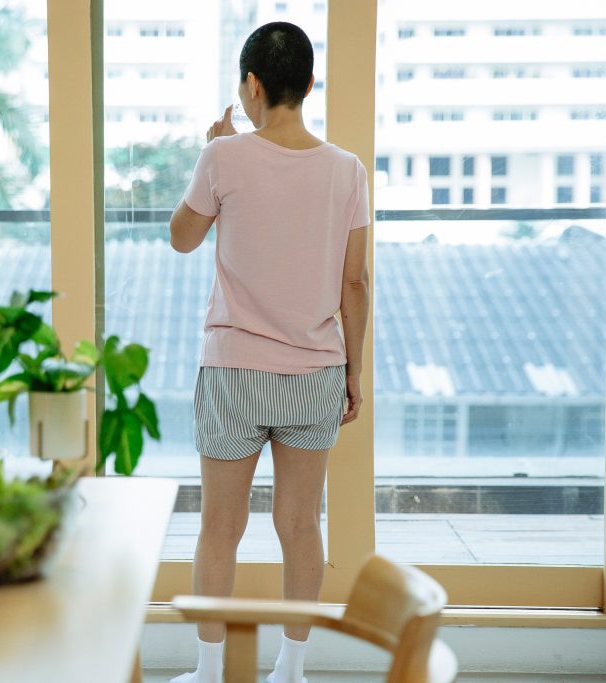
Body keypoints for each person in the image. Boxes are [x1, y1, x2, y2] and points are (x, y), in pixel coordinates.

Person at [168, 21, 370, 683]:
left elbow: (182, 238)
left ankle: (207, 670)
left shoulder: (223, 157)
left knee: (219, 526)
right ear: (308, 85)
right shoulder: (347, 170)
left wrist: (214, 153)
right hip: (315, 370)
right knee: (301, 524)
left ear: (251, 87)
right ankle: (293, 667)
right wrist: (353, 372)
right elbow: (355, 281)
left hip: (232, 371)